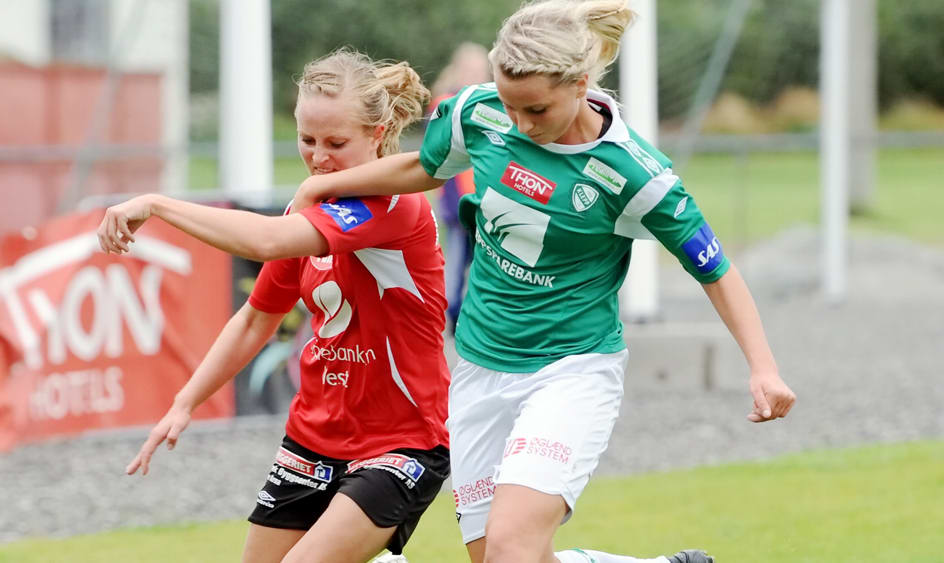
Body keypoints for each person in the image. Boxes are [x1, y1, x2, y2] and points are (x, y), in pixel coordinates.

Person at [290, 2, 797, 562]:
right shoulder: (477, 113)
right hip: (480, 369)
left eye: (535, 109)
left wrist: (763, 368)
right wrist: (325, 187)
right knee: (500, 555)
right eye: (510, 106)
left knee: (512, 548)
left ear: (580, 85)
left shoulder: (635, 174)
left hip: (570, 372)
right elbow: (424, 169)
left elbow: (714, 268)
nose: (520, 124)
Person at [97, 49, 450, 563]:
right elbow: (257, 317)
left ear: (377, 134)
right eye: (307, 140)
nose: (318, 157)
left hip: (400, 443)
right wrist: (184, 403)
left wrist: (156, 204)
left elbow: (263, 241)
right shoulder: (306, 210)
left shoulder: (394, 205)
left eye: (336, 143)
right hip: (313, 436)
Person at [428, 42, 491, 331]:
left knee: (482, 260)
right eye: (471, 70)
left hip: (483, 200)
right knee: (455, 260)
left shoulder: (489, 102)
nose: (476, 76)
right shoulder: (447, 103)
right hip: (457, 203)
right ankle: (452, 311)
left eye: (481, 71)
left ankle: (475, 312)